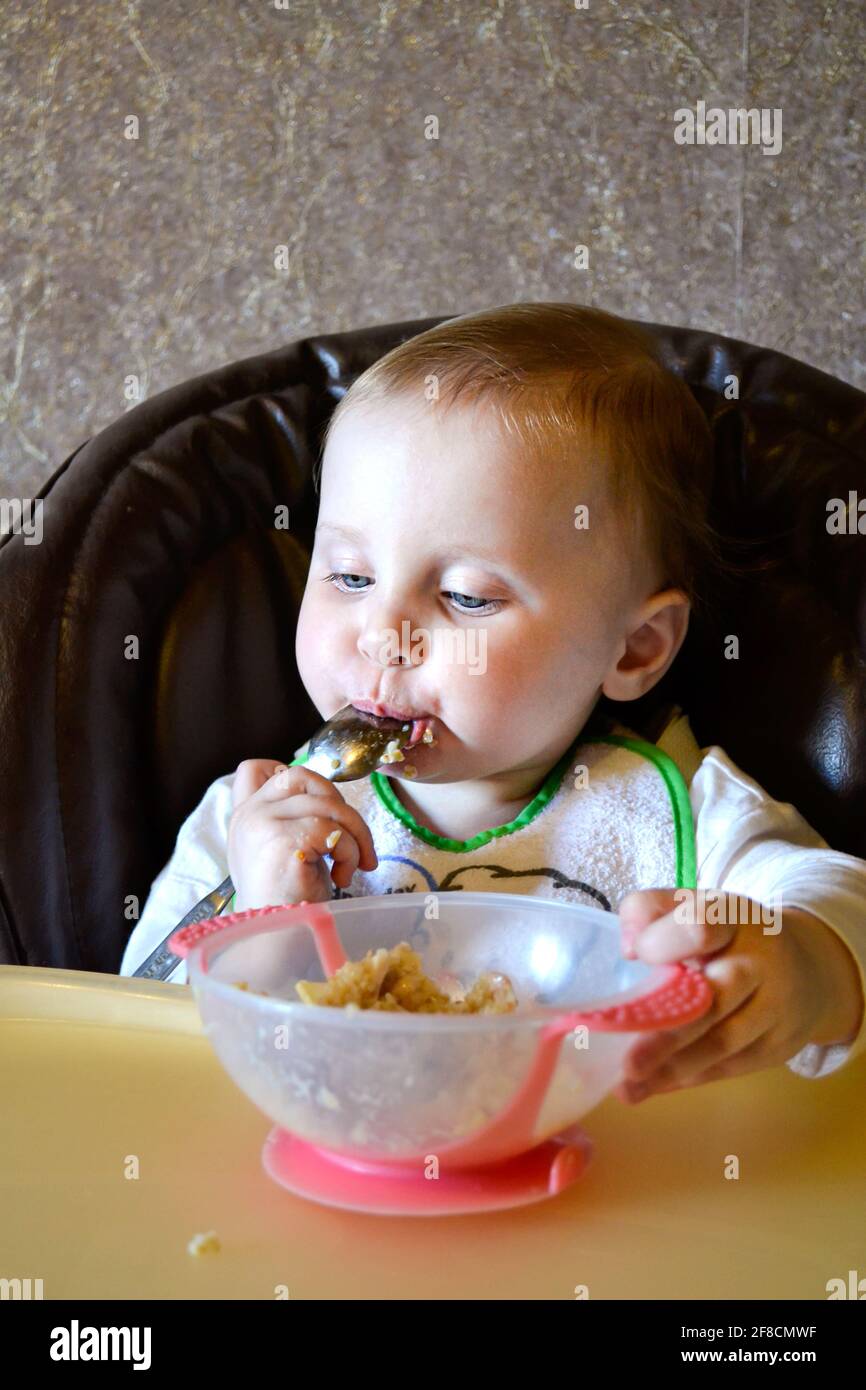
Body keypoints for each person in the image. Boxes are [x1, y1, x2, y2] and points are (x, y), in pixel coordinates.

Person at [119, 302, 866, 1104]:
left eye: (466, 597)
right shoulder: (256, 818)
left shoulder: (679, 812)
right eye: (351, 577)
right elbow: (134, 1036)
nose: (384, 636)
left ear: (635, 647)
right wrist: (263, 923)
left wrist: (804, 970)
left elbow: (841, 904)